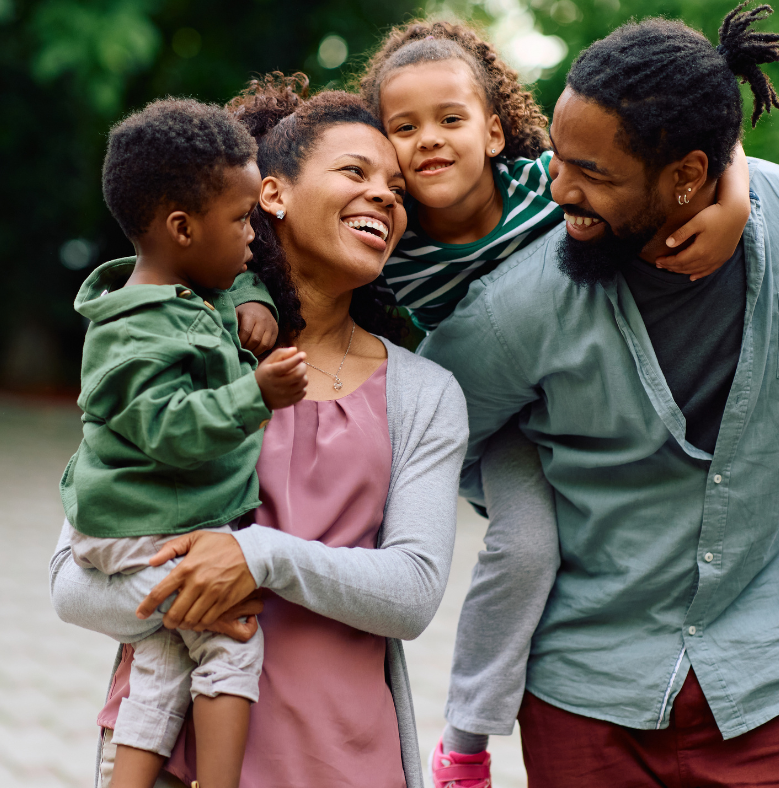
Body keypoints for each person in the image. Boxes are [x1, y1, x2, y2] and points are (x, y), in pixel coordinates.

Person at [421, 3, 779, 785]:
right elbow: (437, 427)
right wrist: (533, 475)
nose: (558, 189)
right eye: (561, 159)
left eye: (593, 174)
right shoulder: (518, 306)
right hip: (589, 690)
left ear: (688, 177)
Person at [50, 78, 468, 788]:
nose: (386, 196)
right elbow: (72, 583)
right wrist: (194, 594)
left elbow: (412, 593)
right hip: (170, 763)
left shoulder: (425, 394)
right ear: (272, 195)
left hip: (344, 766)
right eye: (356, 171)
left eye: (397, 187)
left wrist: (256, 558)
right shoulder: (182, 345)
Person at [60, 98, 307, 788]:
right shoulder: (129, 333)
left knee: (165, 660)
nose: (253, 239)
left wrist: (251, 294)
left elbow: (219, 291)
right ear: (181, 228)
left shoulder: (188, 291)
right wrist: (253, 395)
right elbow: (169, 428)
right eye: (240, 223)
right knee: (229, 639)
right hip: (131, 525)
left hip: (146, 517)